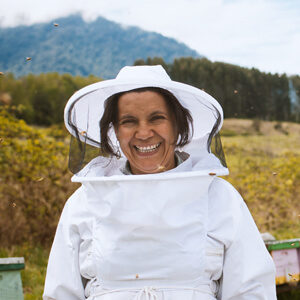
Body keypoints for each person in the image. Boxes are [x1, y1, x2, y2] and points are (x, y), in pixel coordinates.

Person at [43, 65, 277, 300]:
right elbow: (61, 293)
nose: (144, 133)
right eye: (129, 121)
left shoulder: (220, 197)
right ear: (115, 130)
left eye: (157, 118)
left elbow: (251, 290)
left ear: (178, 125)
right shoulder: (84, 202)